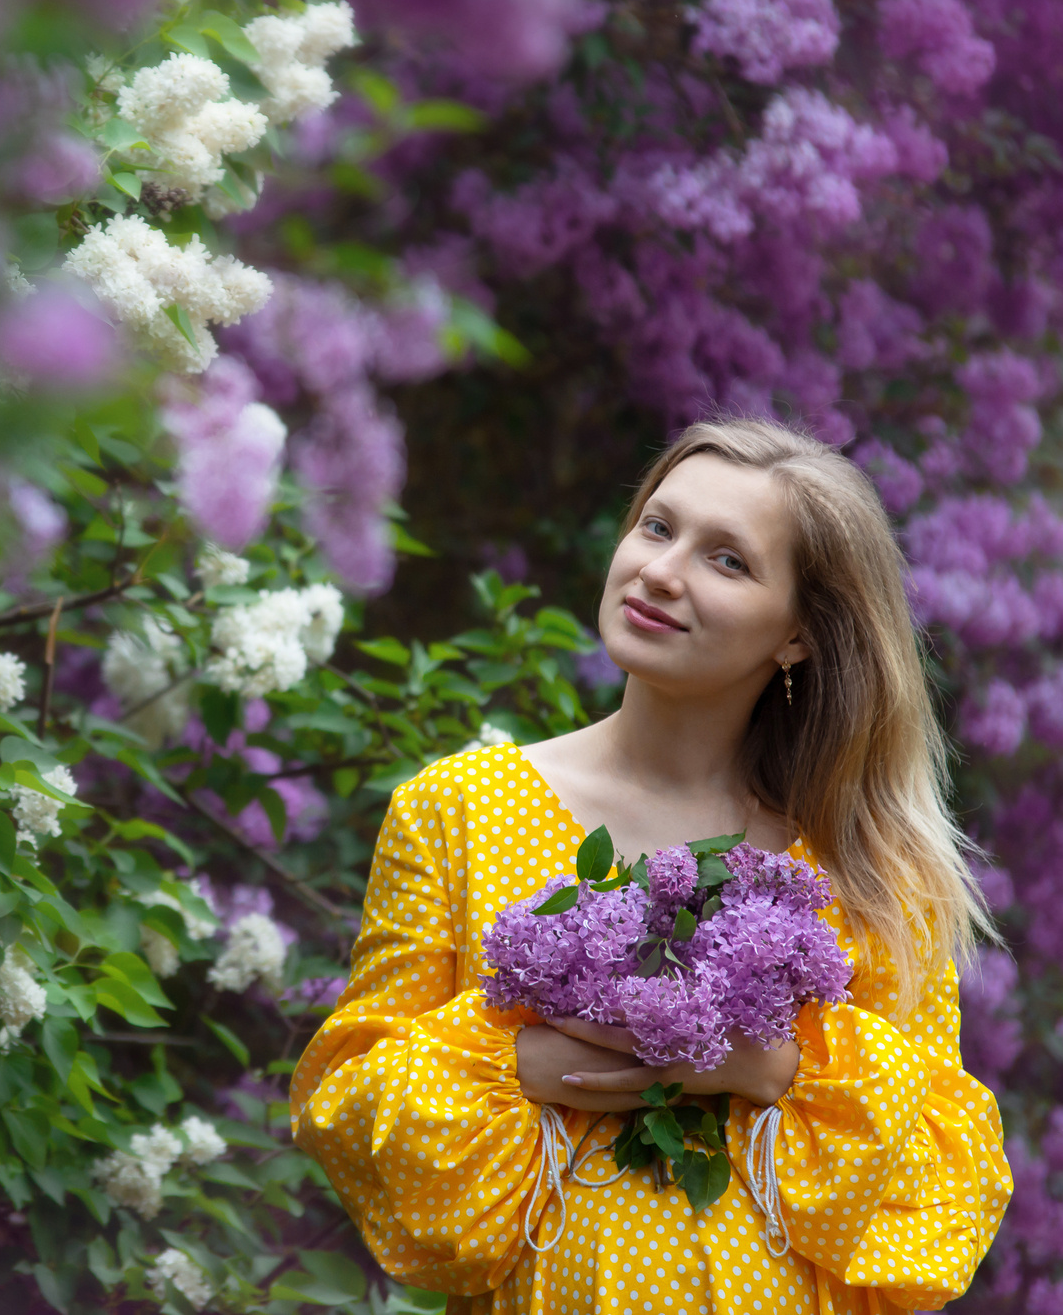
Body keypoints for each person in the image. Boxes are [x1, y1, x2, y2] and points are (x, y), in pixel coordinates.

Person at [290, 417, 1013, 1313]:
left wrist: (773, 1069)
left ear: (797, 637)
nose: (661, 572)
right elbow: (352, 1105)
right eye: (658, 527)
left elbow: (940, 1182)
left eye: (728, 561)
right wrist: (529, 1061)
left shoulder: (871, 868)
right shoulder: (461, 808)